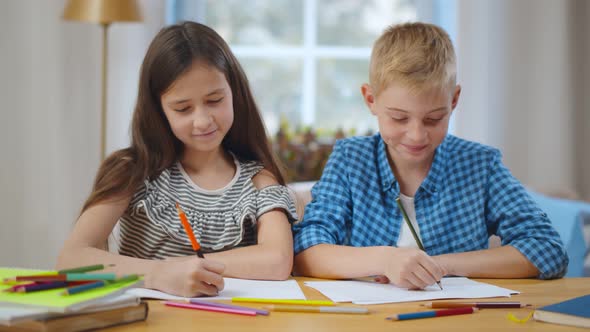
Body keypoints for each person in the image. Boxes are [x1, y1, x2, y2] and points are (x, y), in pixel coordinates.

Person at [292, 22, 568, 289]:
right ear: (371, 100)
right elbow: (306, 250)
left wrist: (440, 266)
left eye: (434, 119)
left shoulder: (480, 166)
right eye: (399, 118)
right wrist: (385, 260)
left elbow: (547, 250)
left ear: (454, 100)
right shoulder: (350, 160)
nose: (416, 135)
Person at [57, 21, 297, 297]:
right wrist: (159, 274)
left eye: (215, 100)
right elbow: (71, 258)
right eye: (183, 108)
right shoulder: (131, 171)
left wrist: (192, 268)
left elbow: (277, 261)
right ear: (159, 110)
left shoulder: (258, 180)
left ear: (234, 93)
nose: (202, 120)